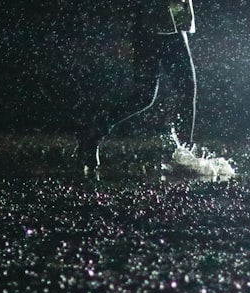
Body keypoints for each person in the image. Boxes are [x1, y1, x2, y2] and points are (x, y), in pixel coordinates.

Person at [72, 0, 197, 172]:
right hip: (156, 22)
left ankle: (93, 131)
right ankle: (185, 157)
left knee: (150, 96)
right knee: (172, 93)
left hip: (162, 22)